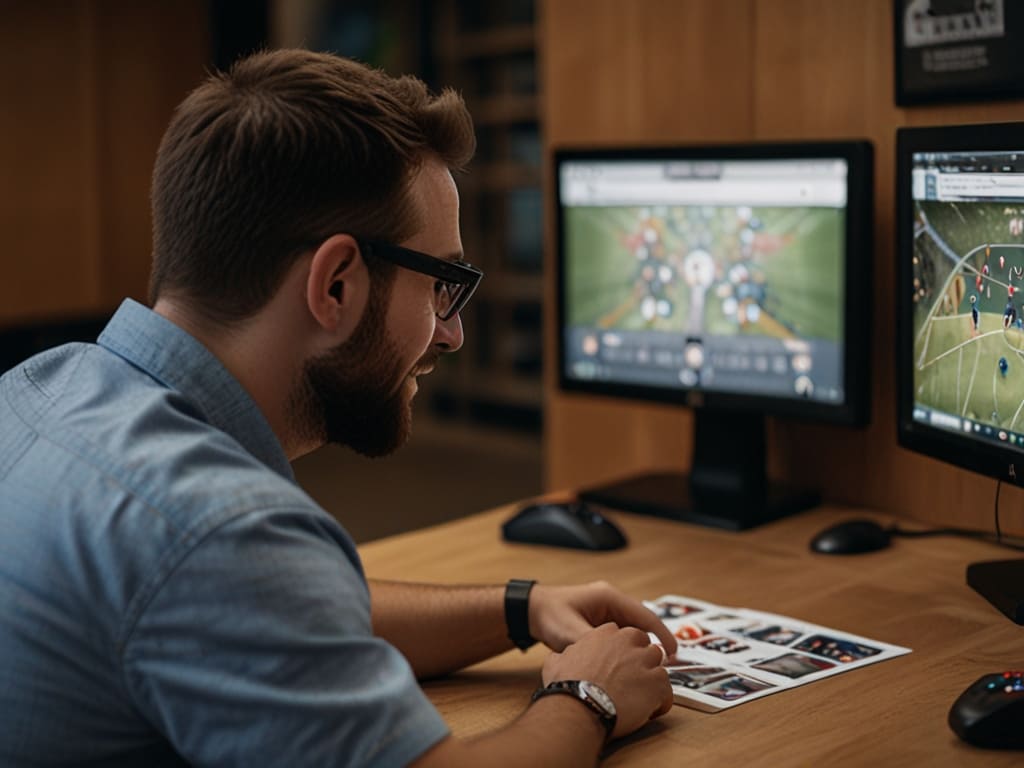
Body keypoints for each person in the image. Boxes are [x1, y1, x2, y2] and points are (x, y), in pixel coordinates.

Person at [0, 49, 676, 766]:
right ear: (337, 286)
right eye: (442, 283)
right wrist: (588, 696)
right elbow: (244, 576)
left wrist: (522, 606)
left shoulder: (38, 388)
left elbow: (271, 613)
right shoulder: (222, 528)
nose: (452, 331)